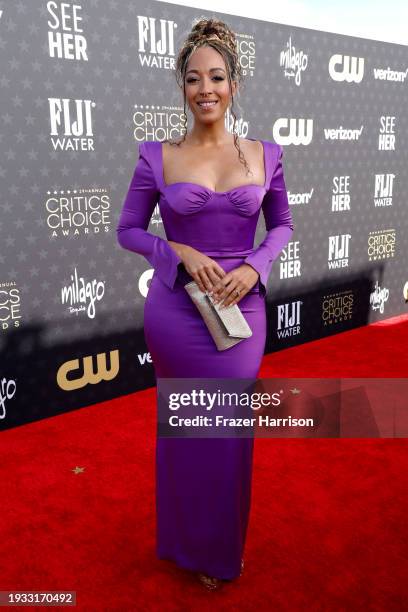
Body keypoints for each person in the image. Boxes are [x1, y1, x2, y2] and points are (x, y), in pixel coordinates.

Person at [116, 17, 294, 590]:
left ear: (234, 84)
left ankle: (218, 552)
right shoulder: (156, 156)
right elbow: (127, 231)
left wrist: (254, 266)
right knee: (185, 428)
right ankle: (183, 543)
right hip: (175, 312)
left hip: (242, 311)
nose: (205, 89)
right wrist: (178, 250)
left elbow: (283, 225)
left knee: (225, 432)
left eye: (217, 77)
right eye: (194, 79)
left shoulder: (266, 154)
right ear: (182, 88)